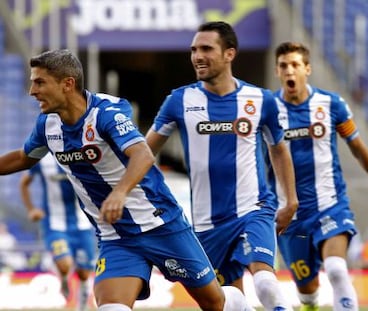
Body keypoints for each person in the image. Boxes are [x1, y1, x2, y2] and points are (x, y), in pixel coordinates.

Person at [0, 49, 253, 311]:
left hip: (161, 224)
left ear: (67, 84)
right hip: (116, 235)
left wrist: (120, 193)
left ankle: (238, 303)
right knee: (111, 307)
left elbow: (143, 155)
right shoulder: (47, 126)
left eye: (40, 82)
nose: (32, 91)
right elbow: (22, 158)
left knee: (215, 304)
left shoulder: (106, 113)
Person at [146, 21, 298, 311]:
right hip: (206, 223)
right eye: (193, 50)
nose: (197, 56)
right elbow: (143, 152)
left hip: (253, 208)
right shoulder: (178, 101)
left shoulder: (260, 100)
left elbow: (279, 150)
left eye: (206, 49)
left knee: (265, 283)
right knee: (229, 302)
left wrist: (290, 200)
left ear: (229, 54)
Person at [269, 41, 368, 311]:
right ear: (276, 71)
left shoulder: (331, 104)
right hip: (289, 216)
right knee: (307, 291)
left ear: (307, 69)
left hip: (330, 206)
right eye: (283, 66)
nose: (289, 71)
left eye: (295, 65)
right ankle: (311, 304)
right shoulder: (267, 109)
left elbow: (358, 149)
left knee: (336, 269)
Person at [20, 152, 96, 311]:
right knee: (65, 264)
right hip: (54, 224)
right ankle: (63, 278)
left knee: (84, 273)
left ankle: (82, 306)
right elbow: (24, 182)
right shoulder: (42, 158)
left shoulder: (80, 153)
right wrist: (31, 209)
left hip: (82, 225)